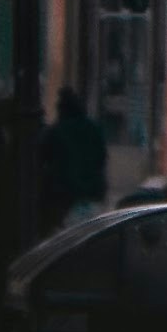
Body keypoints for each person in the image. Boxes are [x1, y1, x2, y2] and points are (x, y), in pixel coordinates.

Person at [31, 84, 108, 236]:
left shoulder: (56, 132)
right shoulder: (94, 129)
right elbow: (101, 159)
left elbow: (40, 160)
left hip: (64, 195)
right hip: (92, 193)